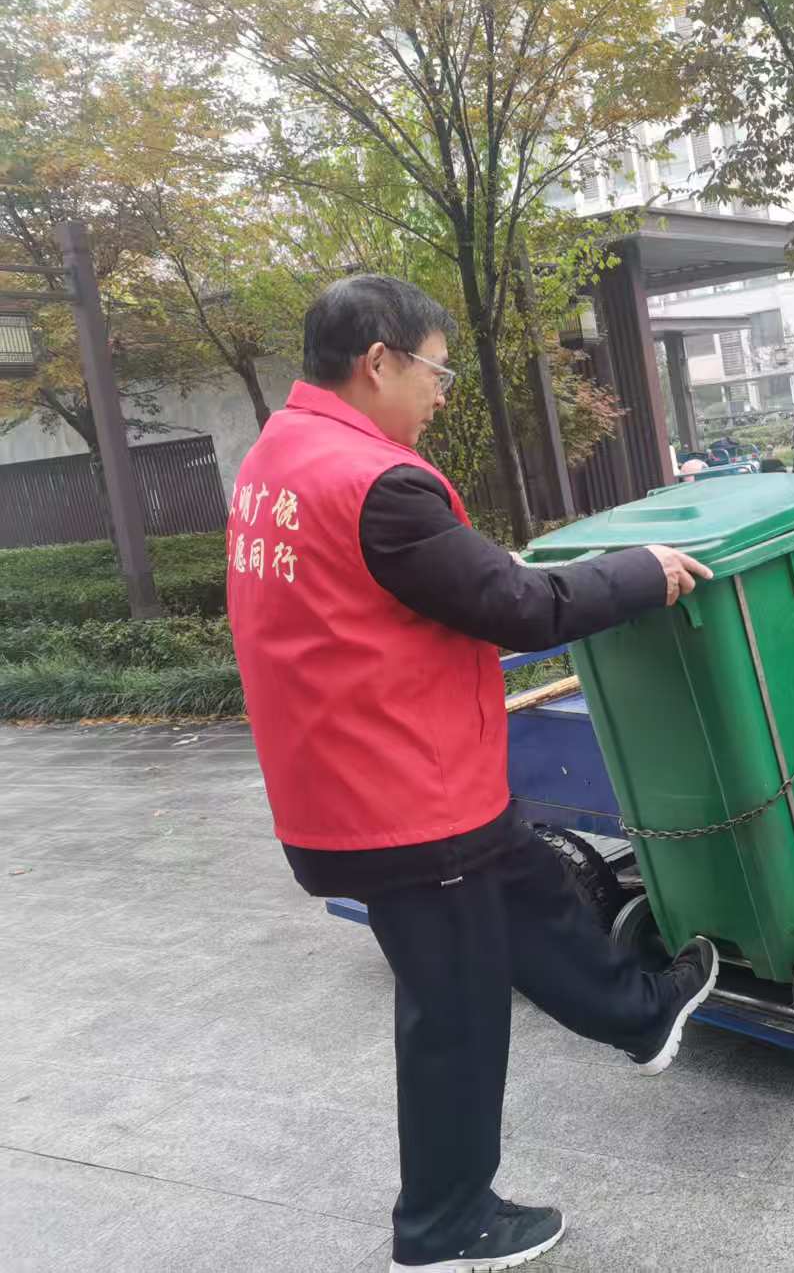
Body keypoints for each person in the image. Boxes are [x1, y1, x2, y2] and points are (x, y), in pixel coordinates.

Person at [226, 275, 720, 1272]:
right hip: (400, 797)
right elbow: (519, 606)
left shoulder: (281, 455)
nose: (442, 393)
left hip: (367, 777)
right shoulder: (376, 485)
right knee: (454, 1010)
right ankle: (444, 1225)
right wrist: (641, 570)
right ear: (379, 362)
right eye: (436, 371)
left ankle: (642, 1014)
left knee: (531, 889)